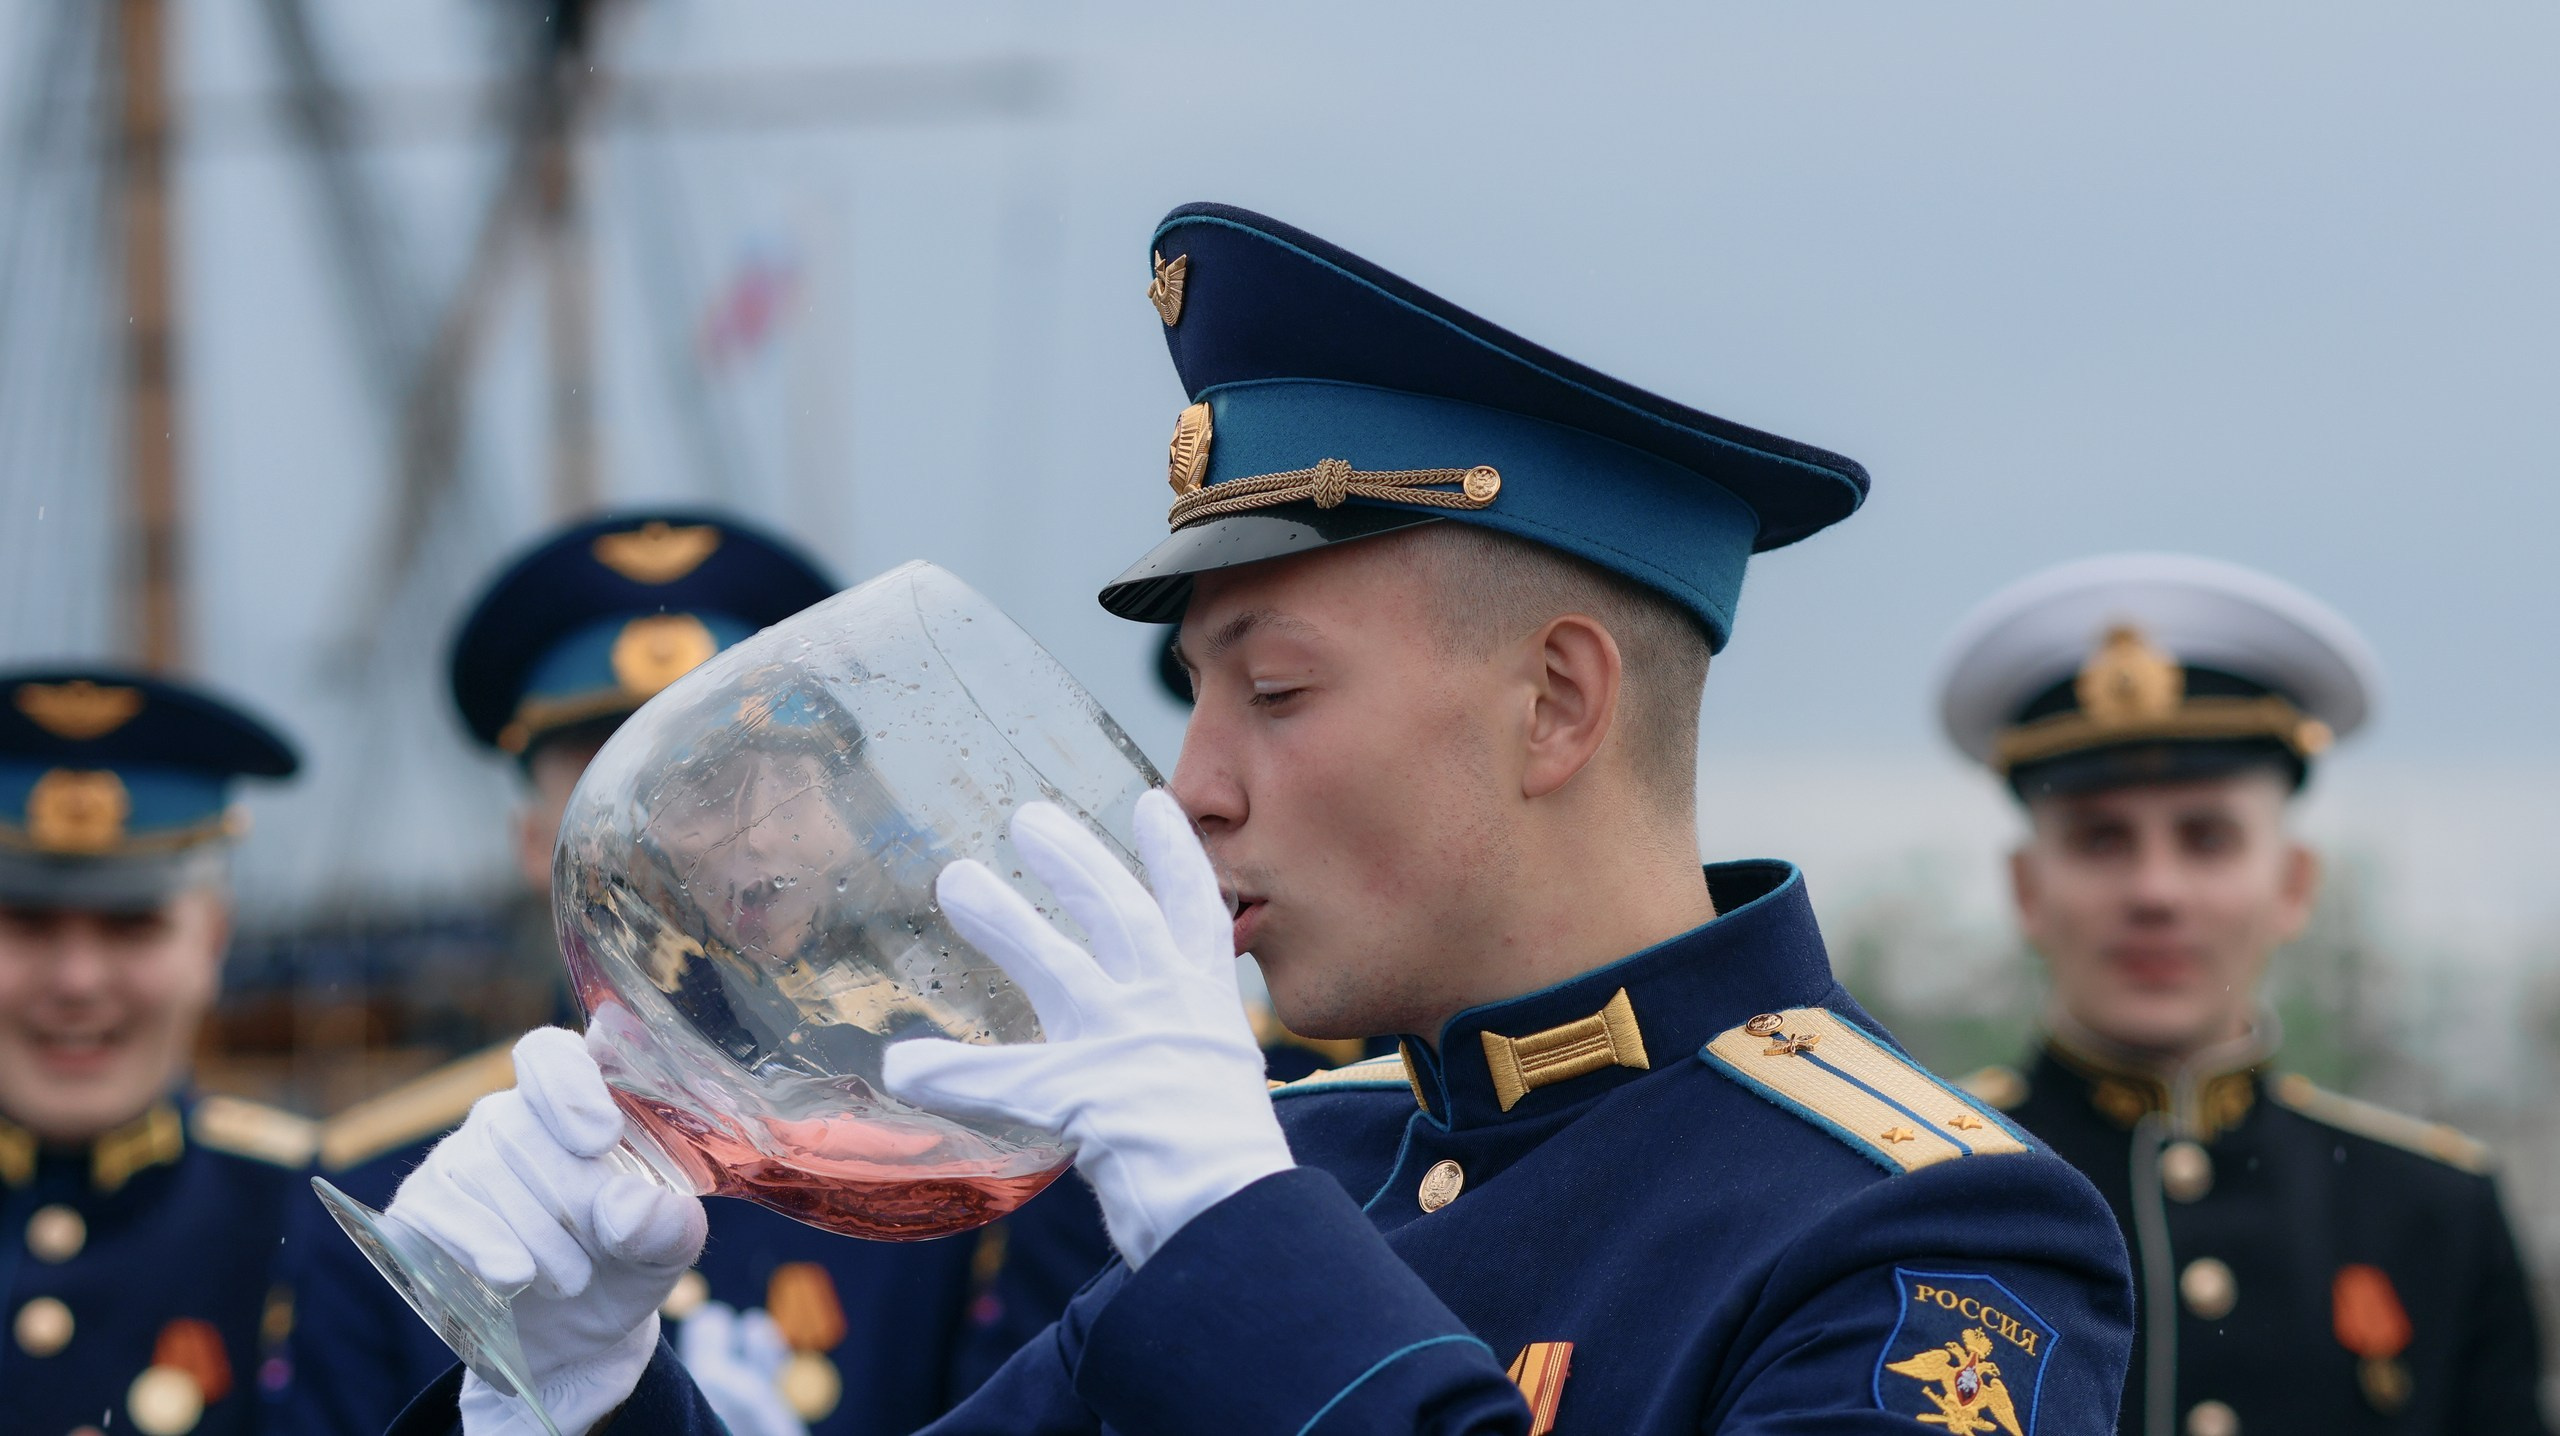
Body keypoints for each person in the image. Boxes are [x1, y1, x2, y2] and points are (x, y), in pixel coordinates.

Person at [376, 202, 2138, 1435]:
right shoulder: (1306, 1161)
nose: (1195, 781)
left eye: (1275, 693)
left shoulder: (1923, 1231)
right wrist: (588, 1395)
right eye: (1197, 698)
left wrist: (1244, 1251)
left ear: (1558, 702)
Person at [267, 510, 1110, 1436]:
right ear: (533, 841)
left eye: (741, 773)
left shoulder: (951, 1138)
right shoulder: (411, 1189)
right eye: (624, 778)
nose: (693, 830)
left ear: (826, 822)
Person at [1934, 553, 2550, 1436]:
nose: (2156, 892)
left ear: (2294, 884)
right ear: (2028, 890)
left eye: (2208, 838)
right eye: (2102, 840)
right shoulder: (1916, 1190)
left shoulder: (2431, 1213)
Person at [0, 665, 313, 1435]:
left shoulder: (312, 1232)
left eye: (131, 926)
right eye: (27, 923)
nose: (76, 980)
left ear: (213, 939)